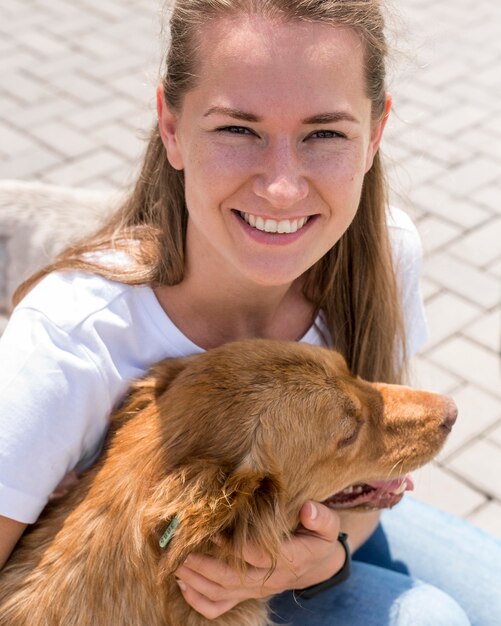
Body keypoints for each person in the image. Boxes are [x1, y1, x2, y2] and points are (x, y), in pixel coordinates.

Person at [0, 0, 499, 624]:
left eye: (325, 133)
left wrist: (325, 554)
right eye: (238, 129)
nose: (283, 188)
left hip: (311, 532)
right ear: (172, 126)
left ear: (374, 134)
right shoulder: (69, 340)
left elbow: (359, 491)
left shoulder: (384, 251)